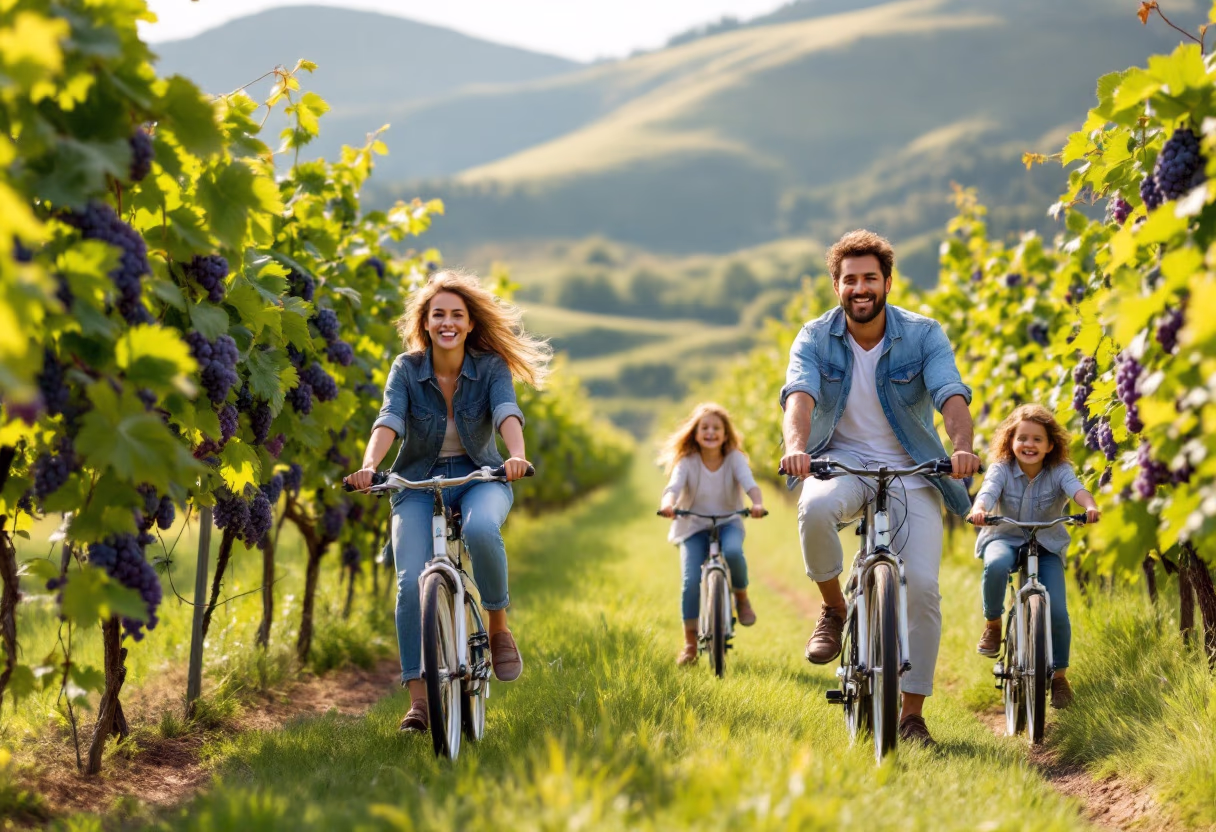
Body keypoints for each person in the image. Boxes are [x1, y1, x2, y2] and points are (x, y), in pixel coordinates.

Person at [779, 229, 981, 746]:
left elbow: (950, 393)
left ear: (888, 282)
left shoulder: (923, 334)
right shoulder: (814, 336)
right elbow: (799, 394)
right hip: (840, 461)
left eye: (870, 278)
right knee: (815, 510)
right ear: (837, 286)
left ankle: (911, 716)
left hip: (913, 466)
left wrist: (961, 448)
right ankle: (834, 608)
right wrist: (797, 447)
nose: (860, 288)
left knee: (924, 588)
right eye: (850, 279)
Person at [345, 270, 549, 733]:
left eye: (457, 314)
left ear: (470, 323)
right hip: (417, 481)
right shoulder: (406, 368)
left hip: (481, 477)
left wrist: (516, 456)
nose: (448, 322)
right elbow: (390, 418)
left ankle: (498, 627)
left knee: (480, 529)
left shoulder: (491, 367)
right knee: (409, 583)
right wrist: (369, 464)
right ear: (426, 322)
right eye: (438, 314)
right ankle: (419, 701)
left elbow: (506, 411)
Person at [966, 403, 1100, 710]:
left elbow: (1077, 489)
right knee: (996, 565)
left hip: (1046, 543)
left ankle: (1059, 677)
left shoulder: (1060, 471)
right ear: (1011, 441)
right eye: (1022, 438)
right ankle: (993, 624)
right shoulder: (1001, 468)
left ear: (1050, 445)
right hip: (1004, 536)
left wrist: (1089, 505)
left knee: (1058, 612)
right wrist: (980, 508)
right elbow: (988, 491)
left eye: (1037, 439)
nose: (1029, 444)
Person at [658, 403, 765, 665]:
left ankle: (741, 598)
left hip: (728, 521)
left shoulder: (735, 459)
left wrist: (757, 503)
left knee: (733, 552)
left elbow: (750, 484)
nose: (710, 432)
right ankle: (690, 644)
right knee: (690, 580)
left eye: (716, 428)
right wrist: (668, 504)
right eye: (704, 427)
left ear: (726, 434)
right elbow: (673, 487)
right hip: (692, 525)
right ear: (695, 434)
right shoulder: (687, 462)